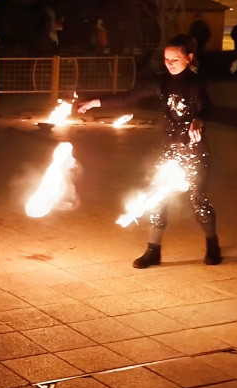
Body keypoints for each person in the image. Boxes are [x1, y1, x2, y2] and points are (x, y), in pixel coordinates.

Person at [78, 34, 221, 268]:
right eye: (166, 59)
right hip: (169, 150)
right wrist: (96, 102)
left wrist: (198, 120)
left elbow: (207, 108)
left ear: (189, 58)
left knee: (199, 201)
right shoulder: (162, 83)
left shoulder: (196, 84)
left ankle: (212, 244)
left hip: (194, 151)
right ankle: (153, 250)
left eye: (175, 59)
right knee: (156, 197)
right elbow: (130, 96)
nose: (169, 63)